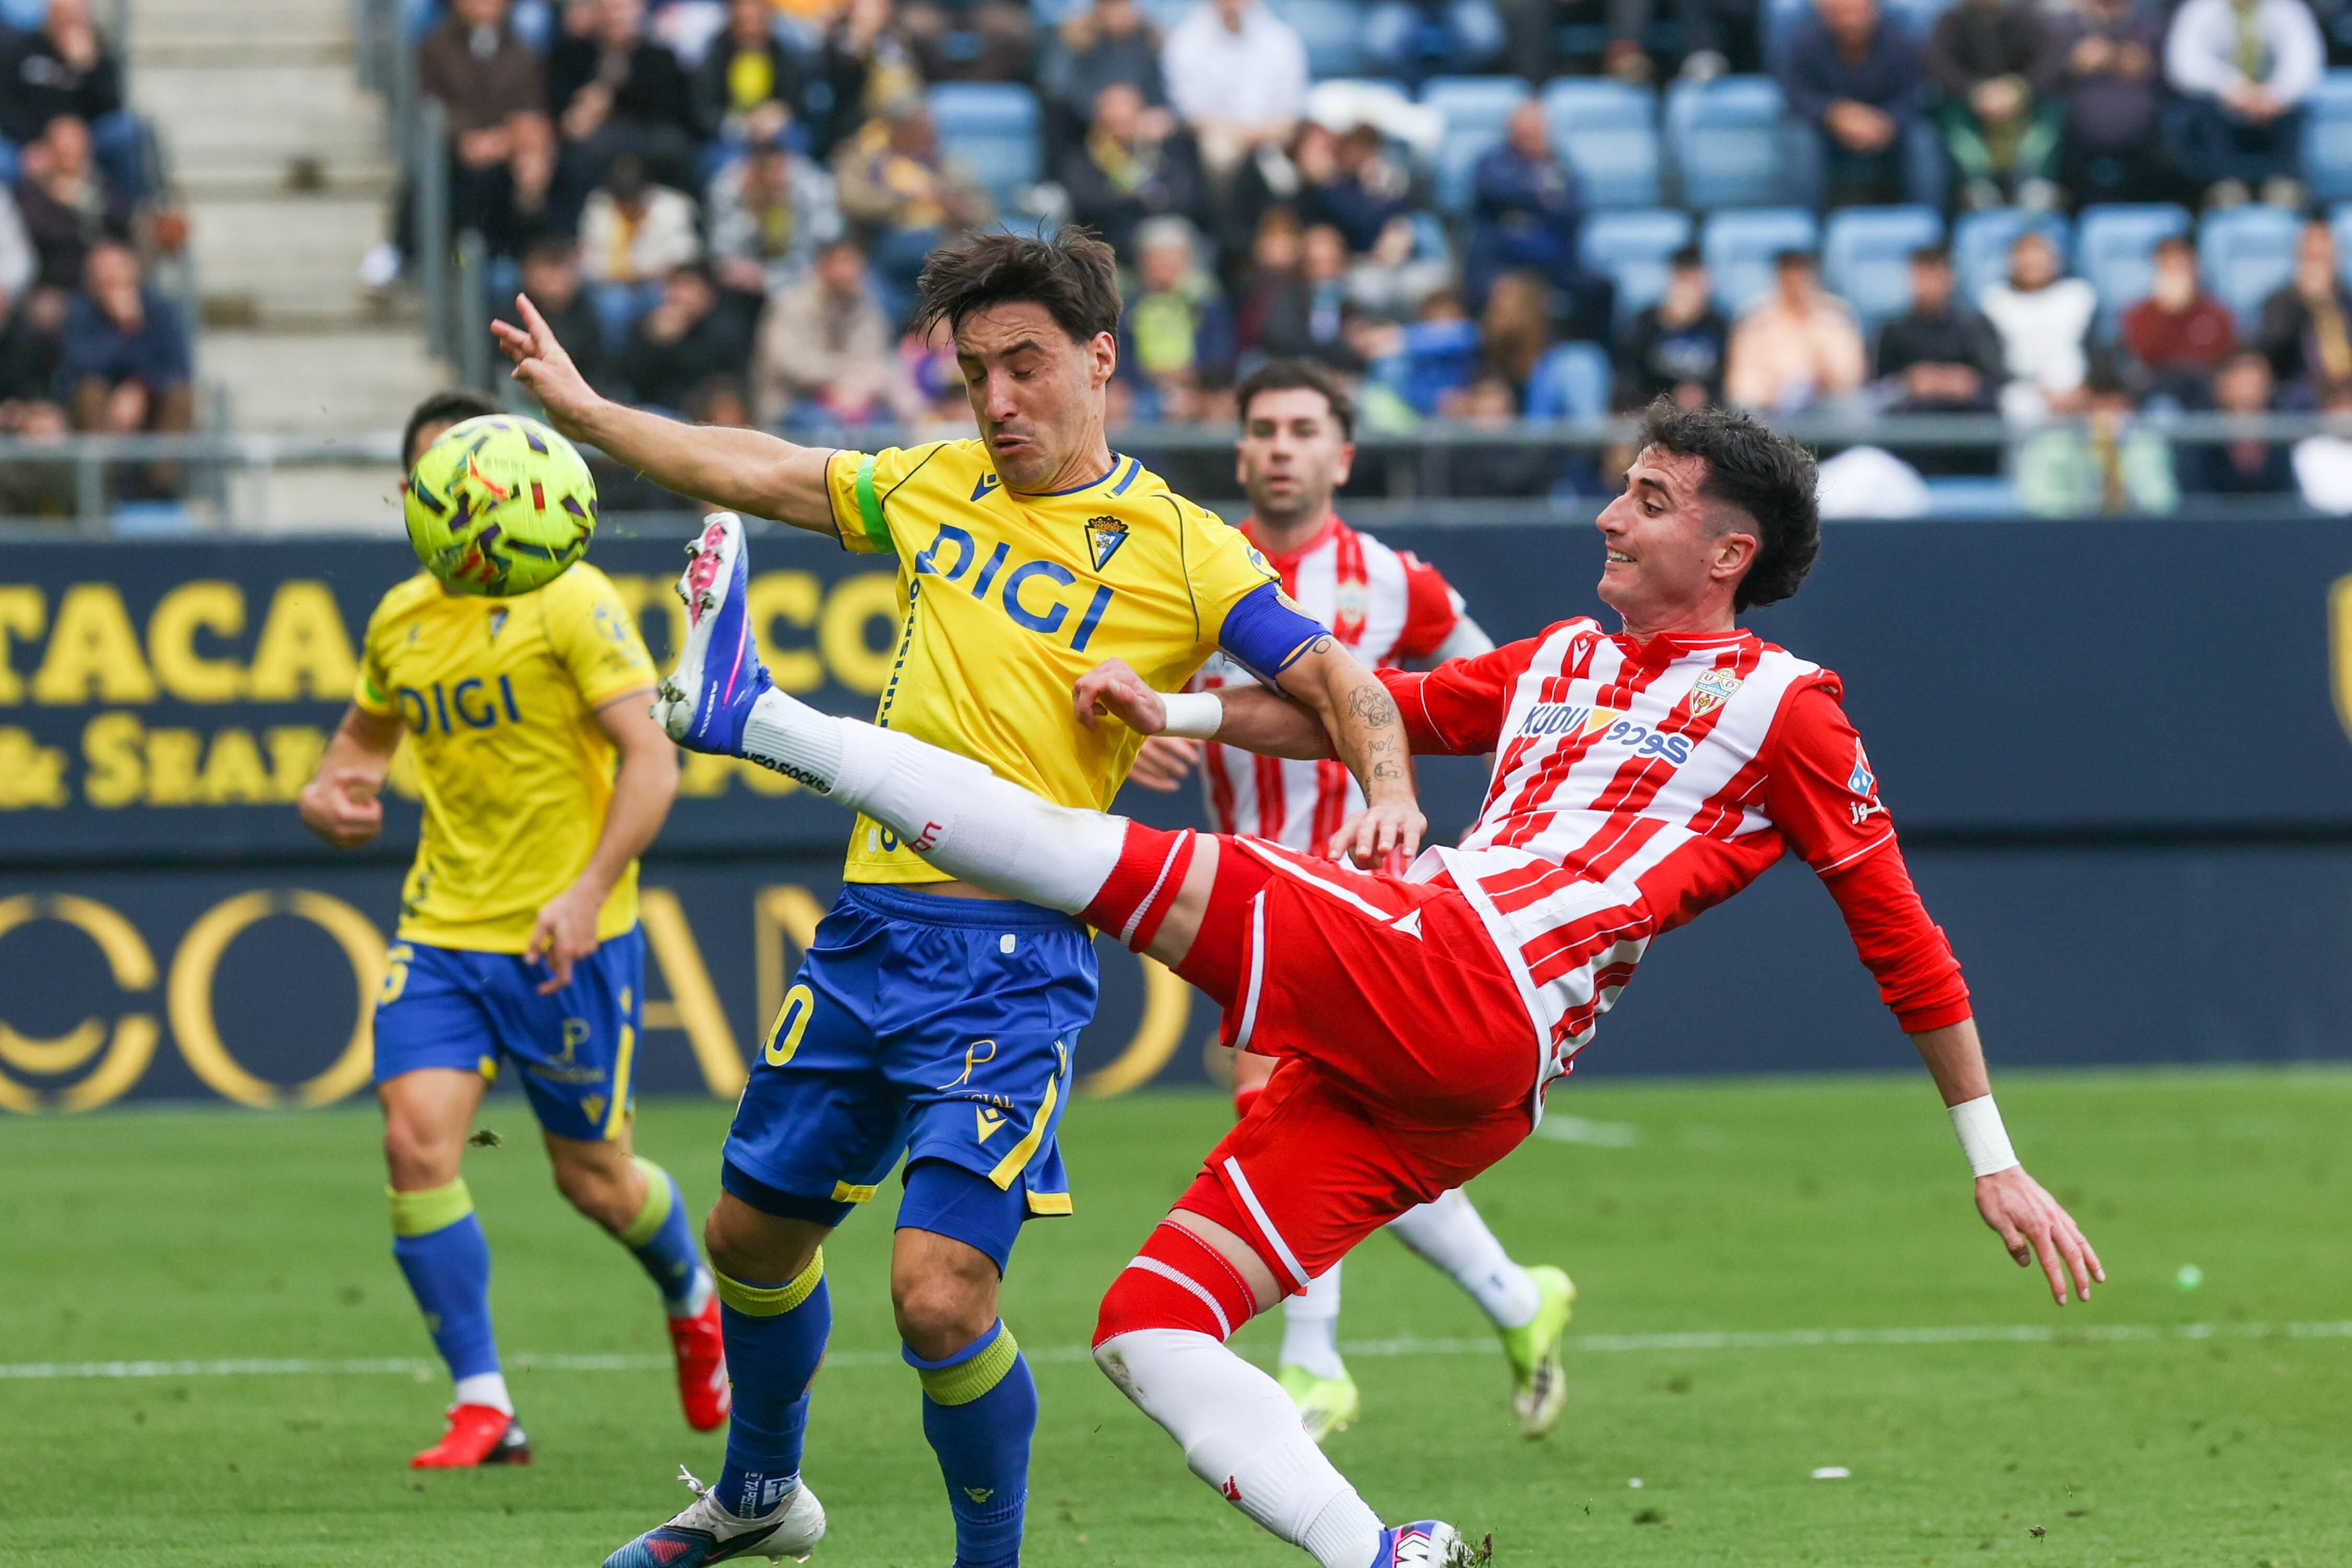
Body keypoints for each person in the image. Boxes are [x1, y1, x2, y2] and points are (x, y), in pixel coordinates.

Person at [653, 400, 2104, 1568]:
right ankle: (1384, 1555)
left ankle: (755, 714)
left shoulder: (1787, 706)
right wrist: (1175, 704)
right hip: (1459, 1080)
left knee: (1093, 862)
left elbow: (1896, 926)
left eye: (1648, 501)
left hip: (1469, 974)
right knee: (1149, 1328)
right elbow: (1369, 710)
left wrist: (1993, 1158)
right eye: (1621, 488)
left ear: (1728, 551)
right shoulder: (1561, 660)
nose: (1610, 513)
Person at [495, 226, 1403, 1568]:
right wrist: (584, 415)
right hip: (868, 928)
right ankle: (760, 1494)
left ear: (1100, 358)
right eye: (974, 372)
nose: (996, 402)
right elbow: (755, 468)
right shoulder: (930, 483)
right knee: (747, 1235)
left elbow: (1343, 689)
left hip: (1011, 956)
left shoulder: (1183, 547)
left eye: (1023, 366)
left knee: (935, 1293)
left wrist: (1336, 768)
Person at [1124, 359, 1576, 1443]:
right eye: (1263, 430)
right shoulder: (1193, 572)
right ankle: (1519, 1300)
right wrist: (1138, 735)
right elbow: (1132, 697)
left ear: (1342, 456)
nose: (1281, 446)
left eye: (1302, 429)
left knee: (1273, 1099)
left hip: (1370, 898)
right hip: (1250, 887)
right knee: (1348, 1134)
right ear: (1240, 454)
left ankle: (1313, 1364)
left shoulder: (1393, 582)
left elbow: (1503, 700)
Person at [293, 390, 717, 1470]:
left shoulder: (568, 599)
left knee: (595, 1181)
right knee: (415, 1142)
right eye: (451, 480)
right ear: (413, 496)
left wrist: (583, 894)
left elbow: (653, 759)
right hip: (442, 929)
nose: (480, 504)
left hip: (566, 937)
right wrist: (329, 796)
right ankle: (485, 1403)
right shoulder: (398, 619)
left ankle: (689, 1282)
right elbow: (357, 751)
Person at [1777, 0, 1938, 208]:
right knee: (1800, 139)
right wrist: (1835, 114)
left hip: (1889, 132)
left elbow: (1913, 96)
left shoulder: (1900, 41)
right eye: (1841, 14)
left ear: (1875, 11)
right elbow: (1796, 96)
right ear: (1824, 14)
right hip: (1826, 133)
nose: (1851, 22)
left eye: (1858, 13)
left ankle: (1928, 224)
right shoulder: (1803, 42)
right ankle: (1806, 229)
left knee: (1923, 139)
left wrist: (1887, 121)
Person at [2163, 0, 2322, 209]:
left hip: (2273, 111)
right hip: (2222, 109)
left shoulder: (2289, 9)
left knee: (2298, 108)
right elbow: (2183, 64)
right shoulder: (2199, 9)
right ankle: (2224, 186)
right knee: (2198, 108)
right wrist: (2230, 86)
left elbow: (2305, 66)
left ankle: (2286, 184)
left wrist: (2275, 95)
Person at [751, 236, 918, 428]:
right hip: (794, 401)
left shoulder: (867, 307)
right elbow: (789, 363)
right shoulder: (792, 305)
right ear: (822, 267)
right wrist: (840, 379)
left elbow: (875, 361)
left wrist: (854, 390)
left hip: (854, 399)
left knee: (887, 427)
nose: (848, 272)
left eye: (853, 263)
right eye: (841, 263)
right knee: (825, 428)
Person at [1922, 0, 2062, 210]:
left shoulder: (2027, 17)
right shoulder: (1950, 21)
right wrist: (1975, 91)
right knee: (1947, 116)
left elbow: (2051, 60)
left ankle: (2036, 181)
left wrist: (2019, 89)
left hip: (2025, 106)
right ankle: (1976, 184)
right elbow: (1937, 63)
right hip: (1970, 109)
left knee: (2054, 109)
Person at [549, 0, 700, 192]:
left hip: (648, 136)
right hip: (591, 142)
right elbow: (563, 113)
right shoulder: (573, 54)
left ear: (640, 11)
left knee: (675, 149)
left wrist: (610, 96)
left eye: (623, 8)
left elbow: (669, 111)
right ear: (596, 12)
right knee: (575, 158)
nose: (617, 17)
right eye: (610, 8)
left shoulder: (660, 57)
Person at [1160, 0, 1309, 182]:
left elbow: (1292, 110)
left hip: (1272, 137)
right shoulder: (1185, 40)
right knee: (1220, 153)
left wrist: (1258, 135)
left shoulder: (1282, 39)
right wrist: (1241, 135)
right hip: (1217, 138)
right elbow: (1190, 113)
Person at [1056, 80, 1205, 261]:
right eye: (1112, 123)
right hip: (1110, 244)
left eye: (1126, 121)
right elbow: (1090, 206)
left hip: (1160, 241)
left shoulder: (1164, 151)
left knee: (1171, 236)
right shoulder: (1084, 158)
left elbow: (1186, 199)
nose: (1119, 131)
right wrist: (1143, 197)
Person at [2015, 362, 2177, 513]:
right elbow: (2041, 503)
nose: (2107, 416)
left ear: (2130, 407)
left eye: (2116, 407)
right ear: (2082, 407)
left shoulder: (2146, 445)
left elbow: (2160, 501)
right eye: (2098, 407)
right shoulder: (2053, 446)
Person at [2049, 0, 2167, 204]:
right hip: (2074, 162)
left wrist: (2117, 57)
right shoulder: (2059, 27)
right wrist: (2071, 63)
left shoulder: (2153, 24)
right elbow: (2040, 77)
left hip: (2146, 162)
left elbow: (2178, 76)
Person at [1723, 249, 1865, 413]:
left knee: (1855, 410)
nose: (1795, 283)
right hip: (1772, 413)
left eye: (1801, 274)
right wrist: (1776, 394)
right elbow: (1741, 388)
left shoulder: (1837, 316)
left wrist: (1824, 376)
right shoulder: (1755, 319)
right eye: (1788, 274)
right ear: (1777, 278)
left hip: (1828, 410)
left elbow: (1852, 380)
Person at [1978, 228, 2095, 421]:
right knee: (2017, 403)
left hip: (2078, 389)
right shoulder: (1995, 301)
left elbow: (2096, 350)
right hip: (2025, 389)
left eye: (2039, 253)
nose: (2033, 262)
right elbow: (1993, 362)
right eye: (2024, 254)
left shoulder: (2079, 296)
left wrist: (2085, 387)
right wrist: (2044, 393)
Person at [707, 136, 843, 296]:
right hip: (748, 280)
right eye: (767, 173)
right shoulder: (728, 189)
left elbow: (822, 249)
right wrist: (750, 215)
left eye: (779, 170)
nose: (777, 180)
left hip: (802, 278)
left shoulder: (812, 188)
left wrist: (770, 279)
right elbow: (722, 252)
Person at [614, 263, 752, 414]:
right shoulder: (648, 327)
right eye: (673, 285)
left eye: (688, 286)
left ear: (708, 293)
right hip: (653, 414)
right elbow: (630, 379)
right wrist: (655, 342)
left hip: (704, 420)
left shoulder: (726, 331)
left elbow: (723, 385)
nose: (678, 294)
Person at [2119, 233, 2235, 398]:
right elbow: (2143, 358)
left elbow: (2223, 361)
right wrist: (2167, 312)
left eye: (2181, 267)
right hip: (2156, 393)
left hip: (2206, 396)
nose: (2177, 276)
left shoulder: (2217, 314)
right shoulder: (2139, 315)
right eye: (2169, 268)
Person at [0, 0, 123, 150]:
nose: (67, 20)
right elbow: (8, 106)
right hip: (34, 139)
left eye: (73, 14)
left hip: (87, 136)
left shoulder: (98, 53)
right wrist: (34, 142)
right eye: (62, 13)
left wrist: (90, 67)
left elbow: (112, 106)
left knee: (125, 131)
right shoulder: (23, 49)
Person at [1619, 245, 1728, 409]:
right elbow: (1634, 372)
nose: (1689, 288)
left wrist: (1703, 393)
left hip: (1709, 410)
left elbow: (1726, 375)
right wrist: (1669, 322)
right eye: (1683, 278)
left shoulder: (1718, 323)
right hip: (1655, 406)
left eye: (1695, 278)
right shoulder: (1648, 320)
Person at [2176, 348, 2297, 495]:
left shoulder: (2281, 437)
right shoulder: (2200, 438)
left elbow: (2288, 496)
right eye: (2242, 375)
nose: (2250, 385)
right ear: (2222, 383)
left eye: (2257, 377)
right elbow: (2195, 495)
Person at [2253, 216, 2352, 395]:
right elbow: (2275, 355)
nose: (2317, 267)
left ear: (2338, 259)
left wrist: (2327, 303)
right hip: (2301, 390)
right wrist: (2306, 303)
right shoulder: (2279, 302)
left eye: (2323, 259)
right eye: (2311, 258)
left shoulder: (2347, 300)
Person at [692, 0, 810, 148]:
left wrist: (779, 114)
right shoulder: (715, 56)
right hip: (728, 137)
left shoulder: (784, 55)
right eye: (744, 22)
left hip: (776, 132)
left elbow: (795, 101)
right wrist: (741, 127)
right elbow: (704, 113)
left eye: (759, 21)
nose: (752, 29)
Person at [2290, 377, 2352, 510]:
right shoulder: (2309, 450)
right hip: (2319, 526)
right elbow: (2319, 500)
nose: (2346, 414)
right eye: (2339, 406)